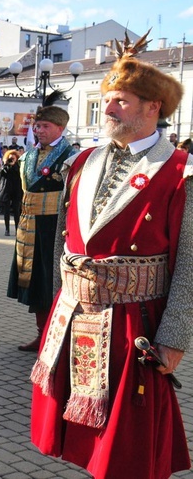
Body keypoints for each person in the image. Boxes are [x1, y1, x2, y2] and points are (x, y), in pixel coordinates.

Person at [30, 32, 192, 479]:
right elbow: (67, 234)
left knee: (128, 449)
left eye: (120, 100)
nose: (109, 108)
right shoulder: (83, 161)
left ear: (152, 107)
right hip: (75, 313)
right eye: (107, 99)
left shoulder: (180, 171)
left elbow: (191, 266)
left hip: (134, 323)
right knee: (79, 440)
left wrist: (174, 340)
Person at [7, 104, 77, 352]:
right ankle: (42, 335)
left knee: (53, 283)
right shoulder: (28, 155)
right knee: (36, 283)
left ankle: (57, 337)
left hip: (55, 228)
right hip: (29, 226)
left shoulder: (72, 157)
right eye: (37, 126)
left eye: (45, 126)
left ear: (61, 127)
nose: (38, 130)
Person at [0, 149, 22, 236]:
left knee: (16, 211)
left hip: (16, 190)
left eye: (13, 157)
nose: (11, 159)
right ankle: (7, 229)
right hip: (6, 190)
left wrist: (14, 164)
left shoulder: (19, 165)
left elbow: (19, 174)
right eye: (10, 157)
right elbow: (1, 174)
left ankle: (17, 229)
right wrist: (5, 165)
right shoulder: (5, 165)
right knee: (6, 211)